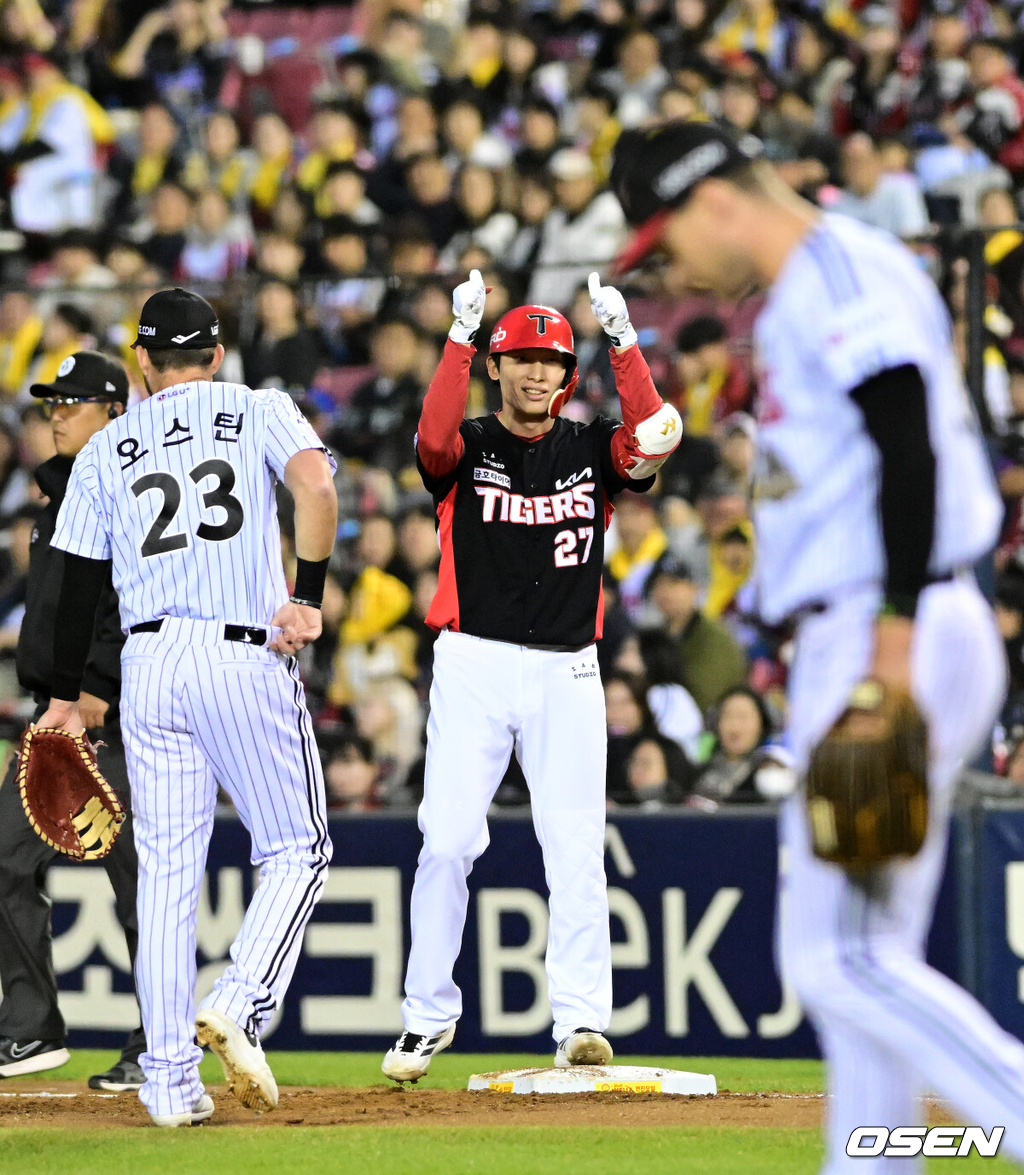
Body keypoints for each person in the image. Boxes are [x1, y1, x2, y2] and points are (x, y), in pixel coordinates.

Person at [610, 119, 1024, 1166]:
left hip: (891, 621)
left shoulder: (835, 269)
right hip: (891, 617)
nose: (669, 267)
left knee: (831, 957)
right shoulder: (822, 280)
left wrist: (888, 648)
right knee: (867, 961)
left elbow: (906, 434)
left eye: (665, 238)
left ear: (715, 200)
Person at [36, 288, 337, 1128]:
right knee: (298, 845)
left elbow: (68, 589)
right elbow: (313, 482)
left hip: (149, 661)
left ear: (140, 362)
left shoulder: (106, 447)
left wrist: (64, 698)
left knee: (167, 877)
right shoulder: (257, 406)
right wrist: (307, 595)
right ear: (215, 353)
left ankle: (169, 1084)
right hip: (243, 647)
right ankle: (239, 998)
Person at [381, 269, 682, 1082]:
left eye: (552, 361)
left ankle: (582, 1019)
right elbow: (433, 438)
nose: (538, 372)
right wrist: (456, 339)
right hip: (473, 660)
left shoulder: (592, 447)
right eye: (522, 358)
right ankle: (426, 1016)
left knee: (575, 844)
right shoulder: (468, 445)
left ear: (567, 375)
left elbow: (653, 436)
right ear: (496, 366)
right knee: (445, 840)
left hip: (566, 669)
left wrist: (624, 344)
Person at [0, 351, 146, 1090]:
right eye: (53, 402)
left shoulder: (131, 492)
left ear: (116, 412)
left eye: (76, 401)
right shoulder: (55, 501)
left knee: (140, 889)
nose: (57, 413)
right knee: (2, 859)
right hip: (47, 723)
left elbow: (137, 598)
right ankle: (31, 1027)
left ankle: (159, 1039)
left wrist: (95, 683)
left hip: (110, 721)